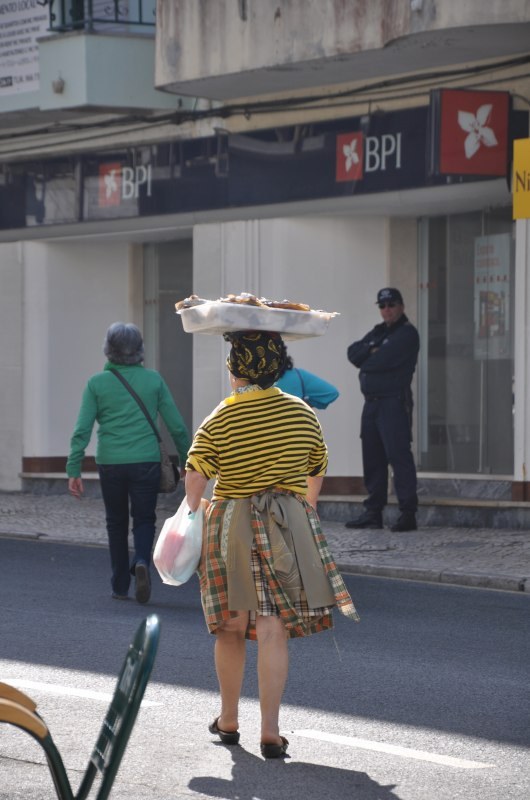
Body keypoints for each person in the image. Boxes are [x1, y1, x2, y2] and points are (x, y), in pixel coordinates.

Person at [185, 330, 359, 759]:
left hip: (232, 525)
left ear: (237, 370)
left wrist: (193, 512)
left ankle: (228, 719)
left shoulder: (222, 416)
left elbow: (196, 472)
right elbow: (317, 465)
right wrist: (307, 507)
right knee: (272, 627)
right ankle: (270, 730)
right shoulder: (301, 412)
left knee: (229, 627)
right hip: (285, 526)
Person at [66, 322, 190, 603]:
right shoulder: (154, 380)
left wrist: (74, 468)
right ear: (140, 350)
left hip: (110, 462)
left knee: (116, 522)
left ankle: (120, 584)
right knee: (145, 518)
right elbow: (177, 427)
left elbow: (82, 430)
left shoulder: (96, 383)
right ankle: (143, 560)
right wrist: (186, 460)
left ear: (108, 350)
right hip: (146, 461)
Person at [346, 288, 420, 532]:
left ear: (401, 306)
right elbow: (353, 353)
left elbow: (379, 361)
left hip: (393, 402)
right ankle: (373, 512)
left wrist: (370, 355)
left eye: (391, 304)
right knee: (373, 458)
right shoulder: (379, 332)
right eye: (382, 305)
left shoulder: (407, 334)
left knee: (398, 457)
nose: (386, 309)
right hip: (372, 403)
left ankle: (407, 513)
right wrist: (370, 351)